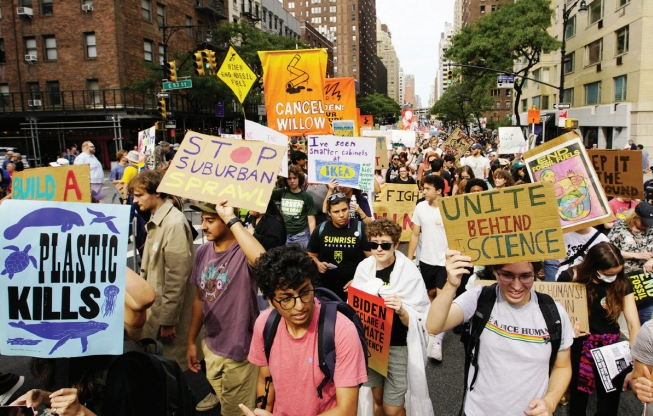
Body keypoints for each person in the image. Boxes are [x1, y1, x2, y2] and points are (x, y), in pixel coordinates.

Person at [426, 252, 574, 416]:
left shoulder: (554, 313)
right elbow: (433, 326)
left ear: (536, 274)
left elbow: (562, 366)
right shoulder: (480, 298)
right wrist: (451, 285)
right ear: (495, 272)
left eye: (526, 276)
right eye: (507, 275)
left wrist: (550, 402)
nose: (516, 286)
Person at [10, 266, 156, 416]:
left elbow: (145, 296)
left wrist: (81, 412)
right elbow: (83, 394)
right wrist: (47, 397)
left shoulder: (122, 365)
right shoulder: (60, 353)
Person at [241, 245, 368, 416]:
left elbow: (346, 410)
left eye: (305, 292)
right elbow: (266, 379)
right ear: (271, 301)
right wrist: (262, 411)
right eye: (286, 298)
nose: (300, 306)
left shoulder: (341, 330)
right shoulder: (265, 325)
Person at [186, 201, 266, 415]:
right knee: (226, 406)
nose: (203, 226)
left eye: (210, 220)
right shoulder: (202, 251)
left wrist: (232, 219)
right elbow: (199, 299)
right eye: (203, 220)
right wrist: (191, 341)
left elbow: (262, 261)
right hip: (211, 347)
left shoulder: (243, 251)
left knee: (234, 412)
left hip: (240, 350)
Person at [351, 218, 432, 416]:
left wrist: (401, 309)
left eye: (385, 245)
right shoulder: (364, 268)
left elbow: (421, 316)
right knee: (377, 398)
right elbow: (354, 308)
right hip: (372, 344)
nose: (379, 249)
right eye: (373, 244)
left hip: (398, 345)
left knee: (393, 407)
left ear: (396, 245)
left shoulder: (409, 272)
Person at [128, 170, 197, 371]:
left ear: (156, 193)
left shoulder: (173, 223)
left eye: (139, 195)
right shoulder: (161, 219)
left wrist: (168, 321)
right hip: (157, 309)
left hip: (164, 314)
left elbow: (177, 276)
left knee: (169, 369)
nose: (134, 200)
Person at [567, 242, 640, 415]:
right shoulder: (571, 277)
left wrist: (635, 355)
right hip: (581, 345)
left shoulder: (622, 282)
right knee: (578, 397)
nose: (612, 278)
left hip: (611, 348)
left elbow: (633, 322)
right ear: (594, 267)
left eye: (616, 273)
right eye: (608, 274)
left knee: (610, 397)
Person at [407, 175, 449, 360]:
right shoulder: (420, 207)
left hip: (445, 261)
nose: (423, 191)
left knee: (441, 299)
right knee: (428, 296)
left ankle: (436, 340)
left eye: (428, 188)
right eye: (423, 188)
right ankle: (429, 330)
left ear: (439, 191)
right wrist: (409, 259)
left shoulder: (449, 208)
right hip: (425, 260)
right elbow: (415, 235)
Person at [308, 192, 372, 301]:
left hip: (355, 290)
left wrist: (358, 280)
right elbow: (310, 255)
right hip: (327, 290)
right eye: (336, 212)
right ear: (329, 213)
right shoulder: (321, 229)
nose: (341, 215)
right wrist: (317, 264)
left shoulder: (361, 228)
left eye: (344, 210)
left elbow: (372, 261)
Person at [608, 202, 653, 324]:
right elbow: (610, 250)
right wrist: (635, 255)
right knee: (614, 313)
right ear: (635, 217)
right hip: (623, 277)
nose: (646, 225)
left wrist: (651, 260)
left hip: (645, 281)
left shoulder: (651, 229)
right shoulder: (620, 228)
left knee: (645, 315)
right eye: (643, 222)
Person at [270, 165, 316, 249]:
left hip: (301, 236)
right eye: (289, 178)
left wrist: (313, 239)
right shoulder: (282, 192)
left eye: (294, 178)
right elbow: (267, 192)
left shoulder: (306, 197)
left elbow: (311, 220)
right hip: (284, 234)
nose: (292, 181)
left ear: (299, 179)